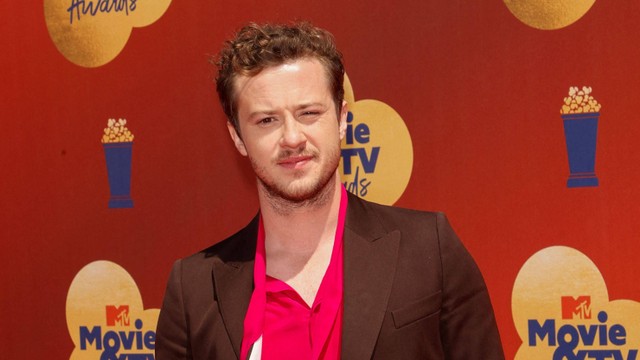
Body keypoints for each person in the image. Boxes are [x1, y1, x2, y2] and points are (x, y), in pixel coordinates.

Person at [155, 22, 504, 360]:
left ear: (341, 119)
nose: (292, 138)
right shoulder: (195, 289)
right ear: (237, 137)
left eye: (308, 113)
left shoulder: (429, 249)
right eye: (266, 120)